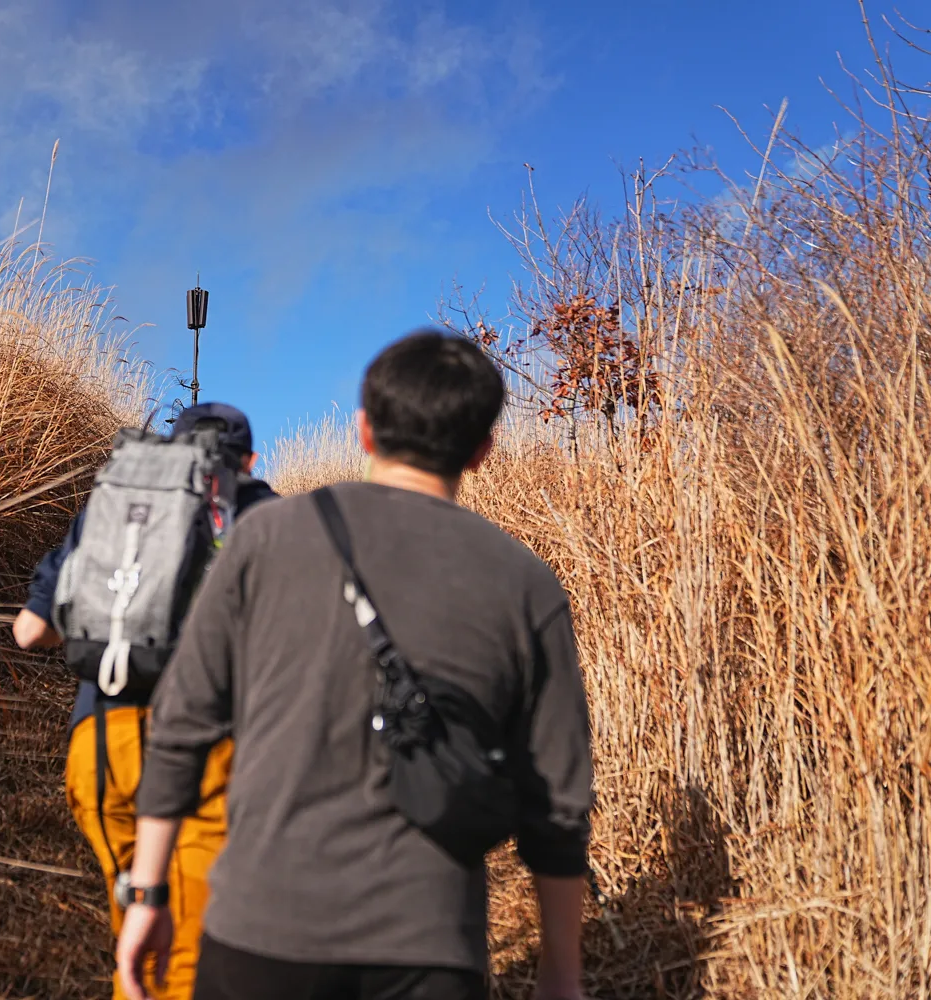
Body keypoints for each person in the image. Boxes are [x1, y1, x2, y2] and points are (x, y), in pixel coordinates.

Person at [116, 331, 595, 1000]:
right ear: (485, 449)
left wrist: (148, 892)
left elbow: (182, 723)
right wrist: (561, 974)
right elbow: (558, 801)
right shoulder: (528, 584)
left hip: (259, 933)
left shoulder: (266, 536)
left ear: (365, 430)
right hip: (431, 950)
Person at [13, 402, 278, 1000]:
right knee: (184, 954)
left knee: (139, 926)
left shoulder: (117, 502)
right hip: (206, 755)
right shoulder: (264, 513)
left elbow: (29, 632)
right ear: (249, 460)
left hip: (102, 748)